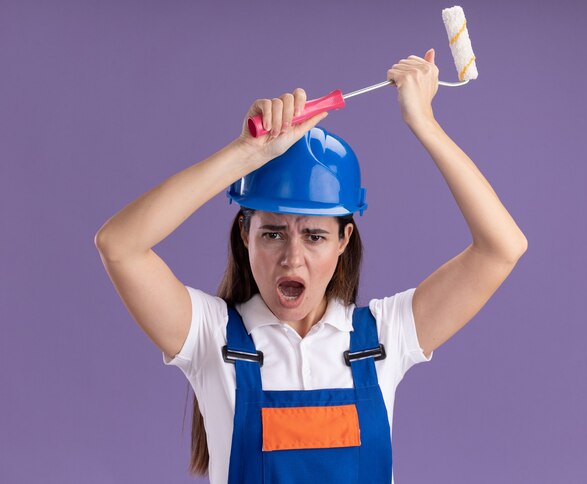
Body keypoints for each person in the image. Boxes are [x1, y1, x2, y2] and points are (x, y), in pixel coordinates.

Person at [95, 49, 528, 484]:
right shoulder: (211, 338)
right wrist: (245, 155)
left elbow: (502, 247)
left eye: (315, 236)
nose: (292, 257)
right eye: (272, 233)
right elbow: (120, 246)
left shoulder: (383, 339)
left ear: (344, 241)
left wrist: (425, 124)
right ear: (244, 234)